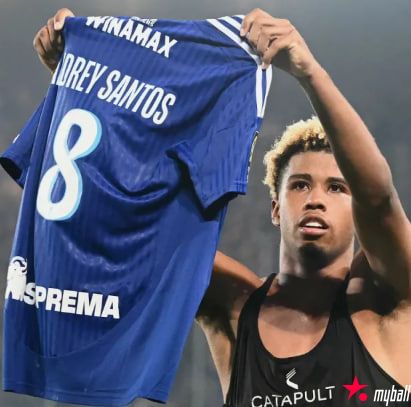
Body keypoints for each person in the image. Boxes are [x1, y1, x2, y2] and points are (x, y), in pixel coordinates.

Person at [34, 8, 411, 407]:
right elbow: (120, 220)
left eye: (337, 187)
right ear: (276, 208)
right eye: (300, 185)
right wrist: (84, 82)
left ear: (357, 209)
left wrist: (309, 72)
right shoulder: (232, 305)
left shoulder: (390, 299)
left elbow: (379, 198)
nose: (315, 198)